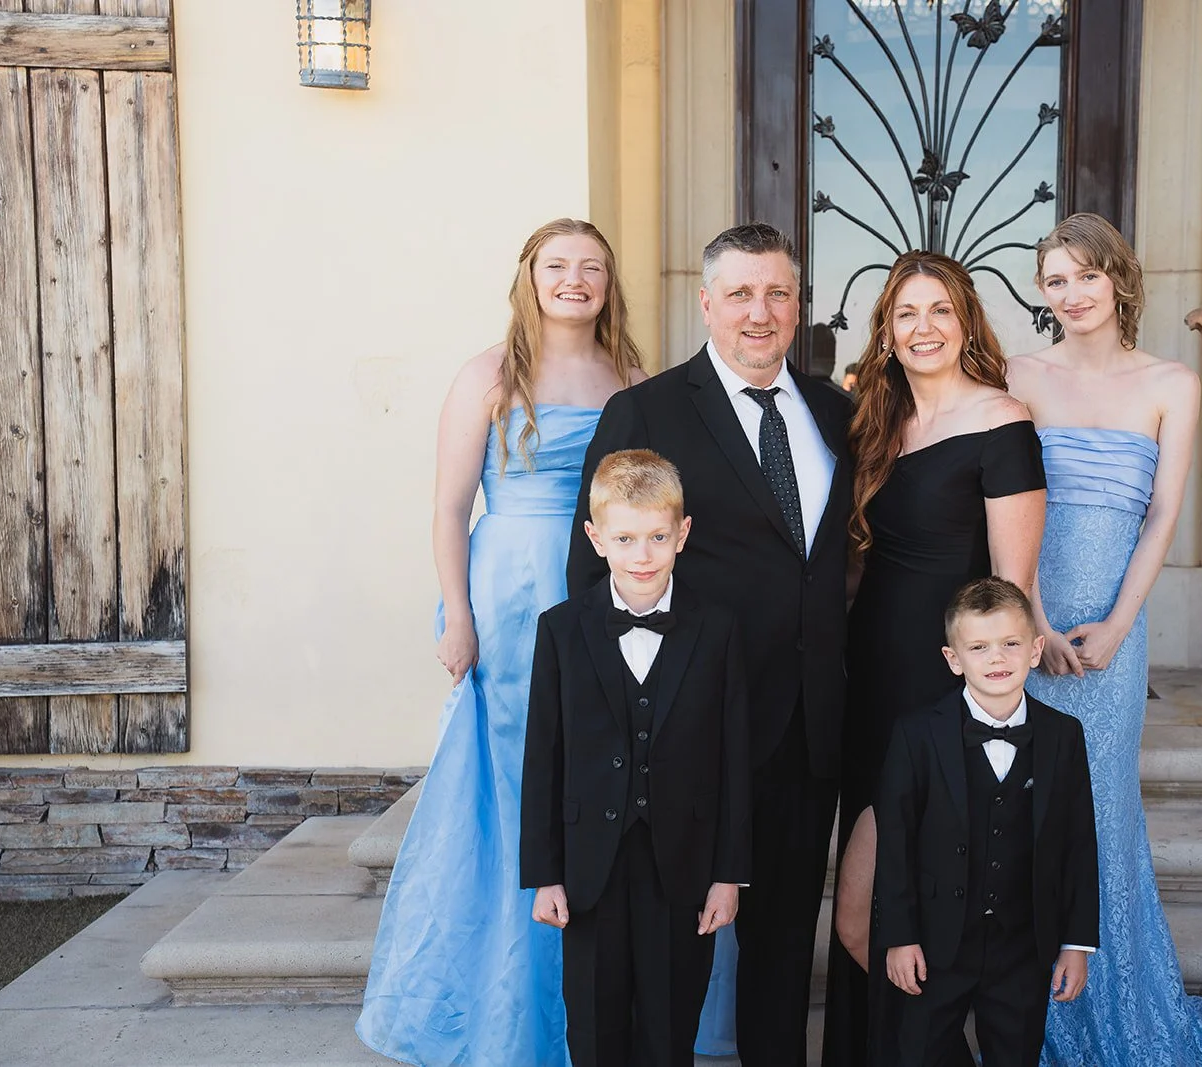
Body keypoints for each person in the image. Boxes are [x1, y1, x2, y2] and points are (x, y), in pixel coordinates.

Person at [356, 219, 645, 1066]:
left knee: (595, 773)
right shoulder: (487, 372)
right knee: (516, 780)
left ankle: (592, 992)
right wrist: (457, 613)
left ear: (608, 282)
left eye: (591, 267)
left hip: (601, 583)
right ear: (528, 276)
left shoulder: (630, 373)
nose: (574, 280)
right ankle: (507, 1008)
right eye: (557, 265)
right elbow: (450, 507)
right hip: (512, 586)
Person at [566, 222, 853, 1067]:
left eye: (778, 294)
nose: (760, 313)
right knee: (667, 956)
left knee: (782, 946)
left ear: (798, 304)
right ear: (706, 303)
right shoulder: (646, 409)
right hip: (687, 730)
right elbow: (590, 583)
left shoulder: (835, 410)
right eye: (740, 294)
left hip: (808, 724)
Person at [1007, 212, 1202, 1065]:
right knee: (1030, 806)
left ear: (1119, 278)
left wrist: (1114, 626)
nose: (1071, 294)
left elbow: (1163, 517)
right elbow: (1006, 506)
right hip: (1026, 625)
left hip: (1114, 624)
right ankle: (1031, 1016)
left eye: (1085, 275)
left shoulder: (1170, 384)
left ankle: (1118, 1014)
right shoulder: (1019, 374)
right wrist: (1031, 619)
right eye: (1055, 281)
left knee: (1103, 808)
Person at [825, 250, 1049, 1067]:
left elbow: (1010, 590)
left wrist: (973, 704)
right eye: (905, 313)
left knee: (870, 916)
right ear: (885, 329)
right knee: (880, 911)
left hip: (935, 696)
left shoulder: (1002, 420)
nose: (922, 328)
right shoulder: (875, 424)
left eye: (939, 312)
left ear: (966, 324)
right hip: (867, 686)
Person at [521, 449, 751, 1067]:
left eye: (656, 537)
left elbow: (734, 759)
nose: (642, 555)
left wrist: (728, 874)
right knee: (594, 1025)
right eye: (624, 538)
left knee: (671, 1022)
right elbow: (543, 759)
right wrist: (545, 874)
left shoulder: (719, 628)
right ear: (596, 539)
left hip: (684, 863)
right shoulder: (561, 630)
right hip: (588, 867)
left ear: (683, 534)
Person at [873, 578, 1099, 1067]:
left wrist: (1076, 943)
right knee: (921, 1053)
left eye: (1011, 644)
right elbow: (895, 844)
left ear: (1036, 650)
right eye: (978, 647)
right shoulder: (916, 735)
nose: (997, 659)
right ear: (954, 659)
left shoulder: (1064, 736)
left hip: (1023, 945)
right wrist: (899, 935)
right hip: (934, 944)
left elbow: (1079, 844)